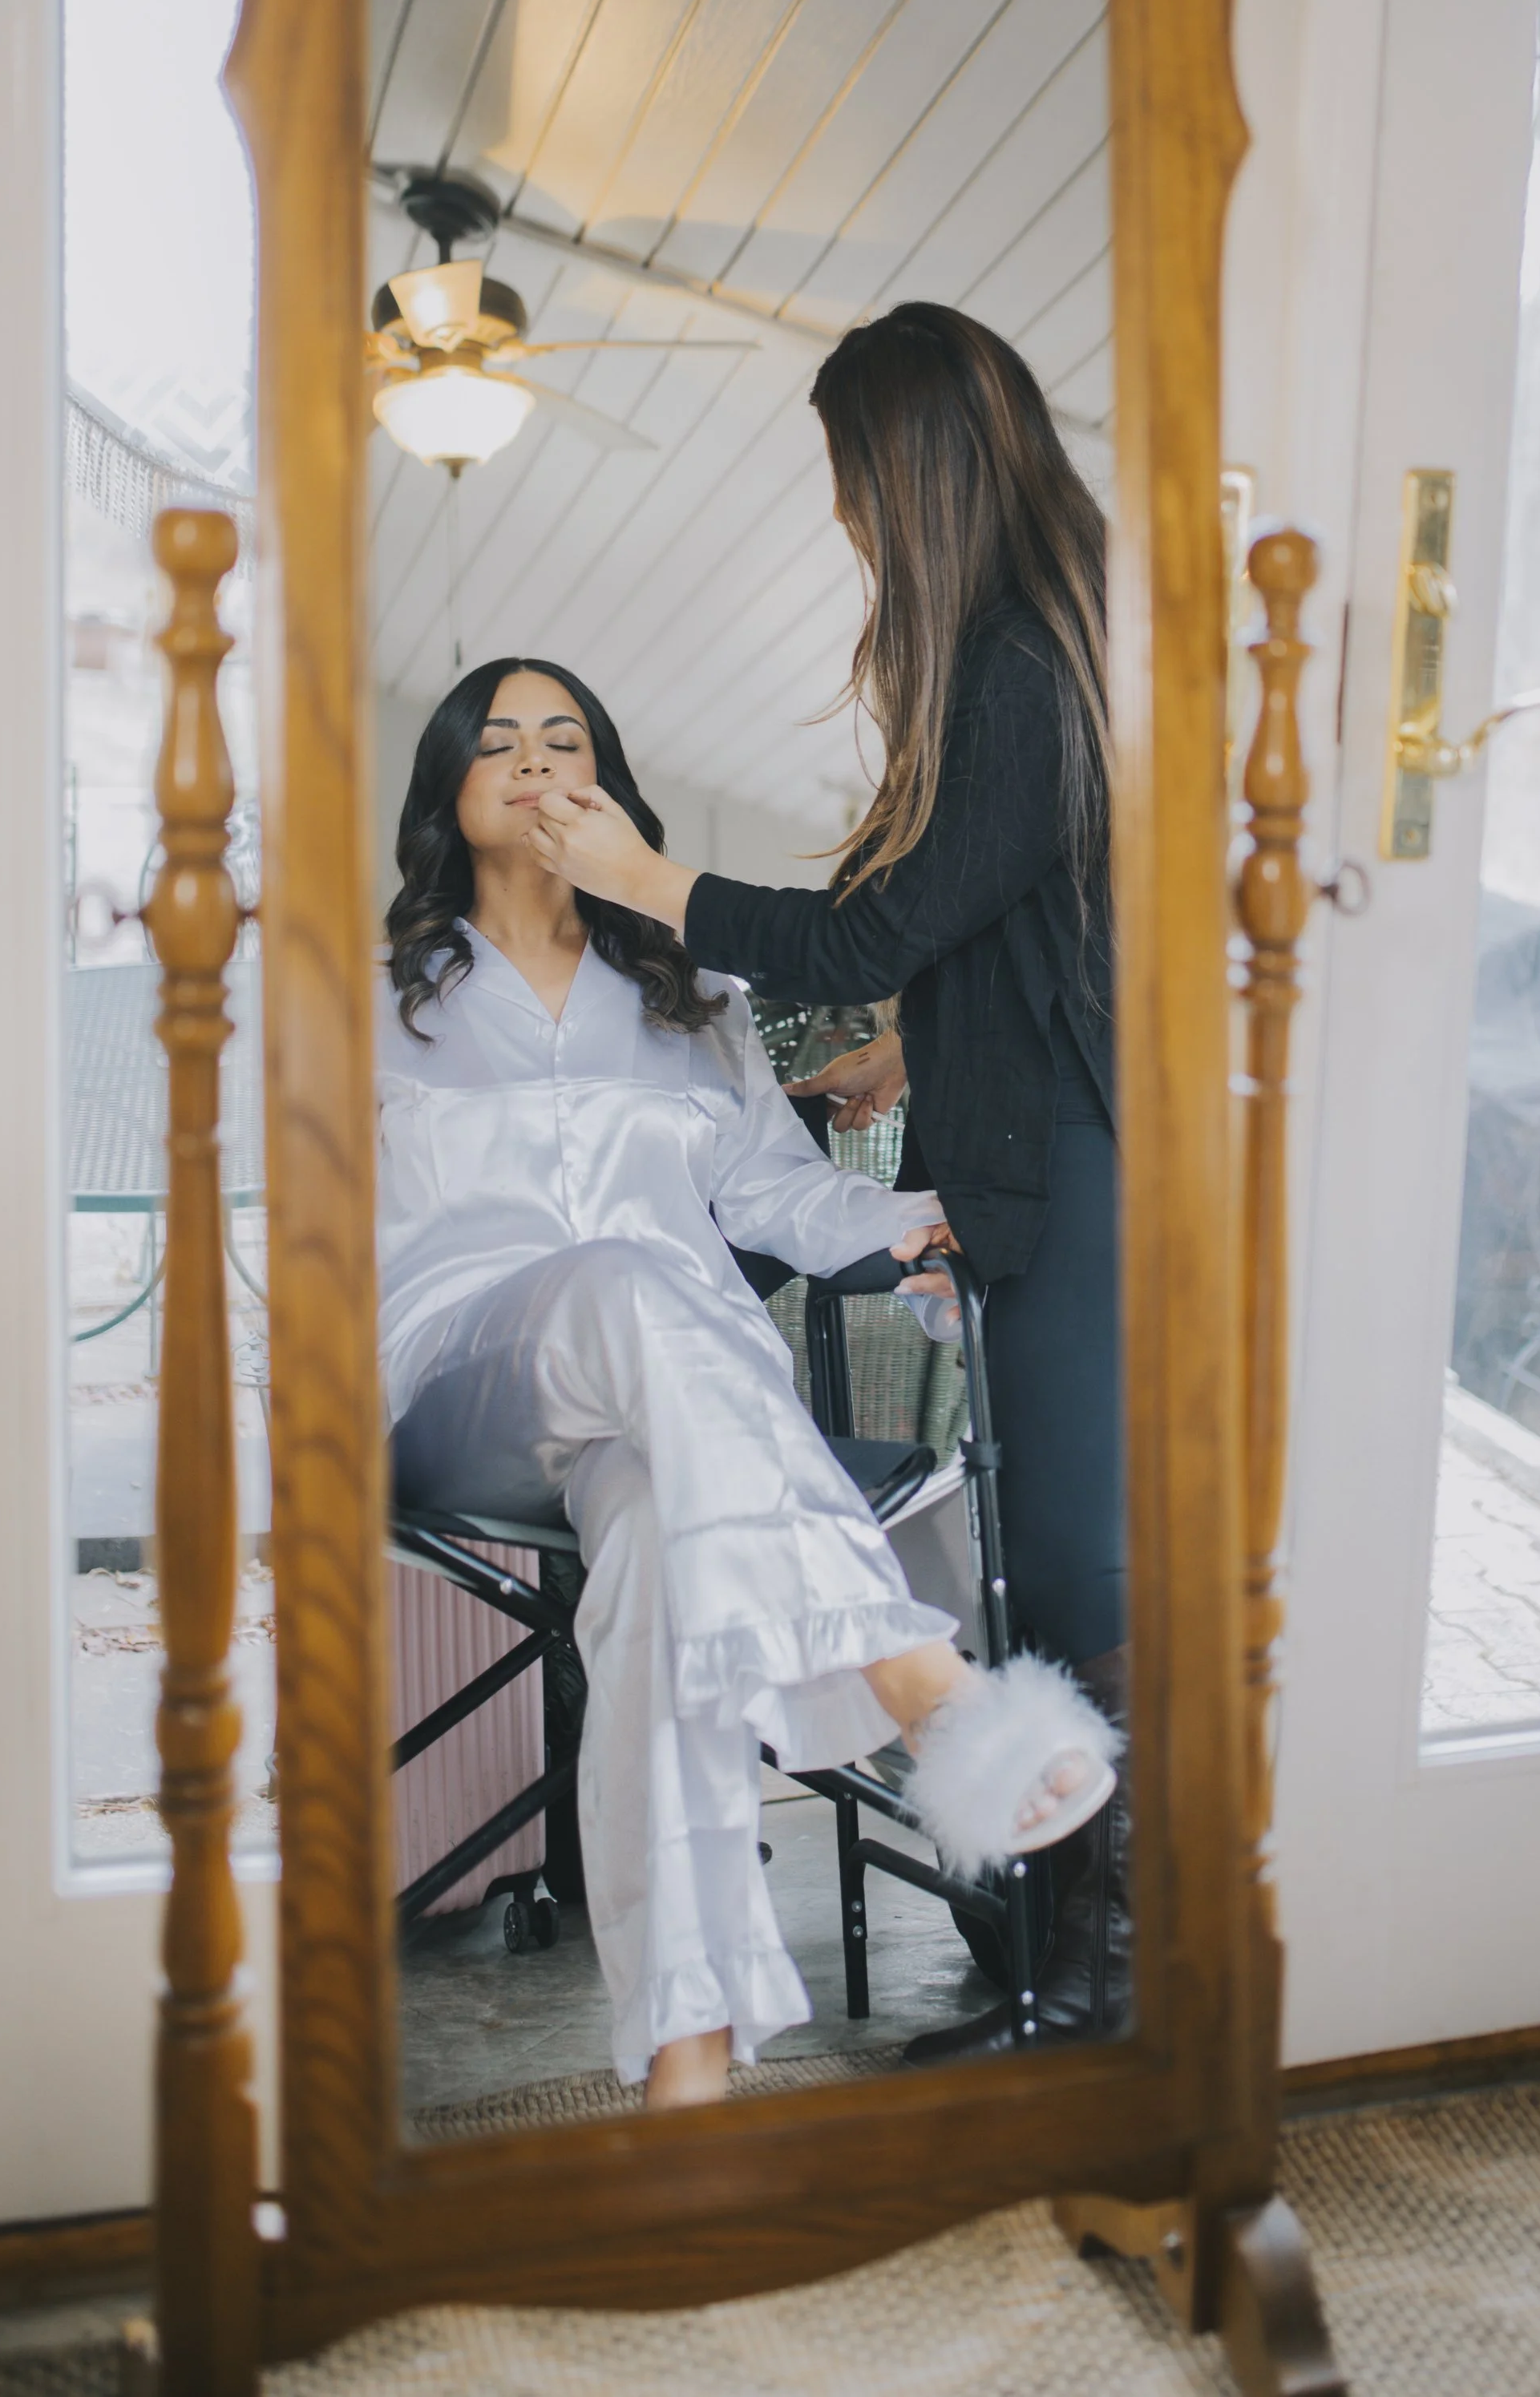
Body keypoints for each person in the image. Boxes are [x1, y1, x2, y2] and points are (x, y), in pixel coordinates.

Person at [377, 656, 1117, 2112]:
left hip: (673, 1421)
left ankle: (687, 2056)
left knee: (661, 1541)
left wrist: (919, 1224)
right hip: (462, 1385)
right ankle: (919, 1676)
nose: (536, 766)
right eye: (501, 745)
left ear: (606, 782)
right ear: (451, 795)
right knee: (639, 1278)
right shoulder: (379, 995)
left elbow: (784, 1195)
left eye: (566, 739)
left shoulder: (680, 990)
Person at [527, 304, 1127, 2065]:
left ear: (916, 472)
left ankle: (1103, 1994)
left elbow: (876, 923)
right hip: (1033, 1160)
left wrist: (652, 879)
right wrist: (915, 1063)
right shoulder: (1033, 653)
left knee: (1089, 1590)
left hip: (1079, 1186)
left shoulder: (1022, 666)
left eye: (854, 482)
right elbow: (1018, 938)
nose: (850, 522)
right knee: (1050, 1582)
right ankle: (1063, 1973)